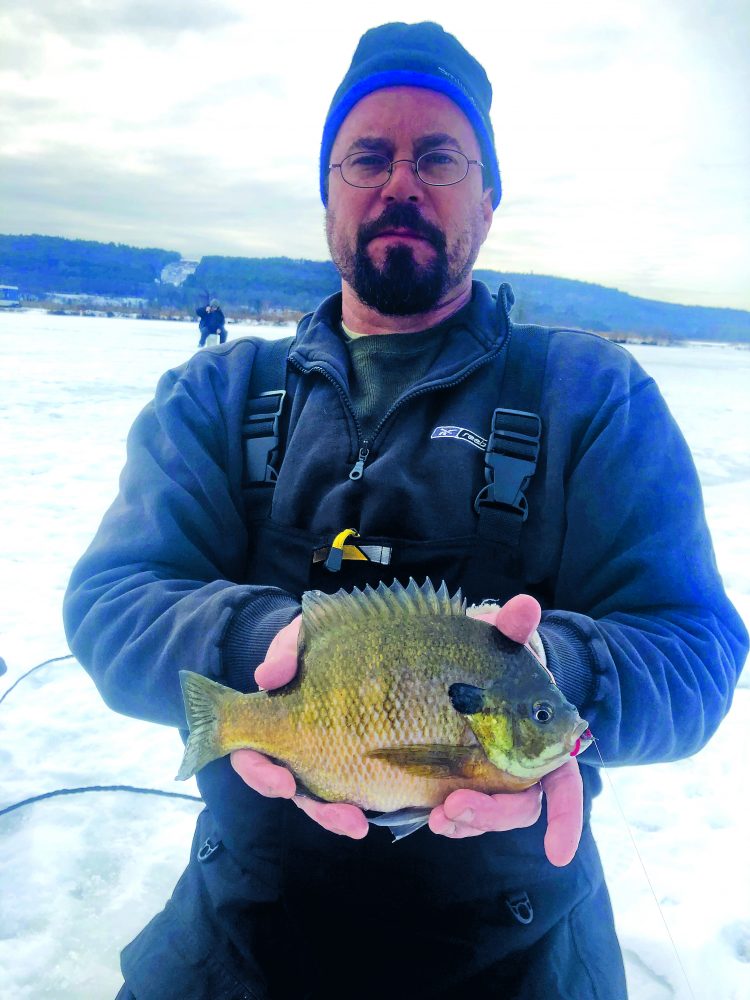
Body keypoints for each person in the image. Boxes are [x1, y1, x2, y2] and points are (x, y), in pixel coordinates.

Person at [64, 21, 747, 1000]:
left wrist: (553, 671)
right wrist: (257, 646)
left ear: (489, 195)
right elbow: (112, 597)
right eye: (367, 157)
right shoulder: (216, 395)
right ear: (328, 190)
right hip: (245, 922)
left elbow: (695, 644)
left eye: (438, 157)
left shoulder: (594, 397)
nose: (400, 183)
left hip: (518, 944)